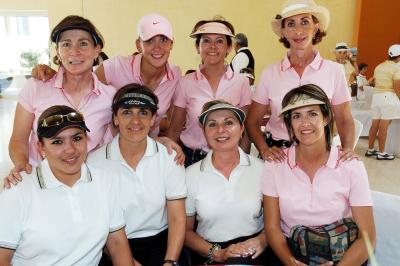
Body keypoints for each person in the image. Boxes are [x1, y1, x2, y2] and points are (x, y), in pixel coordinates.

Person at [0, 105, 134, 265]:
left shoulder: (104, 181)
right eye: (57, 142)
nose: (70, 150)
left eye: (77, 138)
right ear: (41, 147)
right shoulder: (17, 190)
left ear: (86, 139)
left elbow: (117, 244)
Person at [263, 84, 375, 266]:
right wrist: (291, 262)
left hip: (342, 254)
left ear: (325, 118)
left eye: (312, 113)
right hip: (290, 252)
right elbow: (272, 227)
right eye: (296, 116)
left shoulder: (350, 166)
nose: (305, 122)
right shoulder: (275, 164)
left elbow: (367, 236)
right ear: (289, 123)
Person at [32, 13, 181, 138]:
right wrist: (56, 72)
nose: (157, 48)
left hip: (150, 148)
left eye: (164, 40)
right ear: (138, 44)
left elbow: (174, 122)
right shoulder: (115, 66)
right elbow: (84, 80)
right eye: (149, 41)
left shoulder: (176, 76)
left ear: (172, 43)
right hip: (113, 150)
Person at [7, 15, 116, 185]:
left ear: (97, 50)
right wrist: (22, 165)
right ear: (57, 51)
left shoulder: (109, 97)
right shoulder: (36, 87)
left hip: (88, 183)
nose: (74, 51)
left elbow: (120, 141)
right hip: (40, 182)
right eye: (66, 44)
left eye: (83, 43)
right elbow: (18, 139)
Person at [87, 83, 186, 266]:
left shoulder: (169, 157)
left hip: (163, 246)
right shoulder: (94, 164)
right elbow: (97, 226)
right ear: (115, 118)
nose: (135, 121)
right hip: (113, 247)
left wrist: (170, 262)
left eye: (143, 112)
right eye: (127, 112)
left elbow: (177, 218)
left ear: (153, 118)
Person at [246, 0, 355, 163]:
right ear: (283, 32)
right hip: (278, 158)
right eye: (291, 24)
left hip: (319, 158)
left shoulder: (334, 71)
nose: (298, 31)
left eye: (305, 22)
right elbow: (252, 121)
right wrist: (264, 149)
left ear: (316, 26)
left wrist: (347, 151)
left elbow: (345, 120)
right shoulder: (270, 72)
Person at [185, 100, 269, 265]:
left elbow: (276, 221)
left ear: (242, 128)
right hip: (209, 252)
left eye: (229, 122)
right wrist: (218, 254)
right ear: (204, 132)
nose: (220, 130)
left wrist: (263, 240)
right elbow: (185, 232)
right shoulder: (190, 175)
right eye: (212, 124)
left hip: (255, 252)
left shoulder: (263, 169)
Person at [167, 18, 252, 167]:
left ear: (229, 47)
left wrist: (243, 164)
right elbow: (174, 128)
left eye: (219, 41)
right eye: (206, 41)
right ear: (197, 47)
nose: (212, 46)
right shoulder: (185, 82)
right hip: (191, 159)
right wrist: (165, 165)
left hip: (230, 160)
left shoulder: (241, 83)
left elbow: (245, 131)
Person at [366, 44, 400, 160]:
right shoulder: (397, 68)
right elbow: (396, 86)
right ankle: (381, 152)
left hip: (376, 97)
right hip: (388, 97)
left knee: (375, 124)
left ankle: (370, 150)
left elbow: (374, 82)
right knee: (384, 126)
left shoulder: (379, 66)